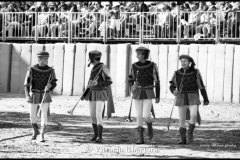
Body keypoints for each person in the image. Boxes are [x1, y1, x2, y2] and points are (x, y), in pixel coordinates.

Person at [169, 55, 209, 144]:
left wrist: (205, 99)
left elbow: (201, 87)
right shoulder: (177, 73)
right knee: (182, 119)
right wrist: (173, 91)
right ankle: (183, 139)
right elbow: (172, 86)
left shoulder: (196, 72)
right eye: (182, 61)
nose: (183, 63)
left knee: (194, 115)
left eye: (185, 61)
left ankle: (190, 132)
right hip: (181, 97)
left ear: (189, 62)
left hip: (193, 96)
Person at [128, 47, 160, 144]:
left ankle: (149, 126)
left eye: (138, 53)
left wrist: (158, 95)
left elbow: (157, 81)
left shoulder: (152, 65)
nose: (136, 55)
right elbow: (130, 79)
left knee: (146, 114)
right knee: (138, 115)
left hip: (148, 91)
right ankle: (140, 138)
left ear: (144, 54)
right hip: (137, 92)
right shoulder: (134, 66)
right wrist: (131, 87)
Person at [24, 51, 57, 142]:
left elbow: (54, 83)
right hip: (34, 93)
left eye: (47, 59)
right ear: (39, 59)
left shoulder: (50, 70)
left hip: (45, 94)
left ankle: (42, 133)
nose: (47, 60)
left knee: (44, 115)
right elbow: (26, 84)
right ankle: (35, 131)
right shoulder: (32, 69)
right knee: (32, 115)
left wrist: (50, 87)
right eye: (45, 59)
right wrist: (27, 96)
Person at [82, 50, 114, 143]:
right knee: (92, 115)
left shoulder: (103, 67)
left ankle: (100, 136)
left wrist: (98, 83)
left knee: (98, 114)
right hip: (92, 93)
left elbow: (109, 81)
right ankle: (95, 134)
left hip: (100, 93)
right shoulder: (93, 68)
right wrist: (85, 94)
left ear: (91, 58)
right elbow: (90, 83)